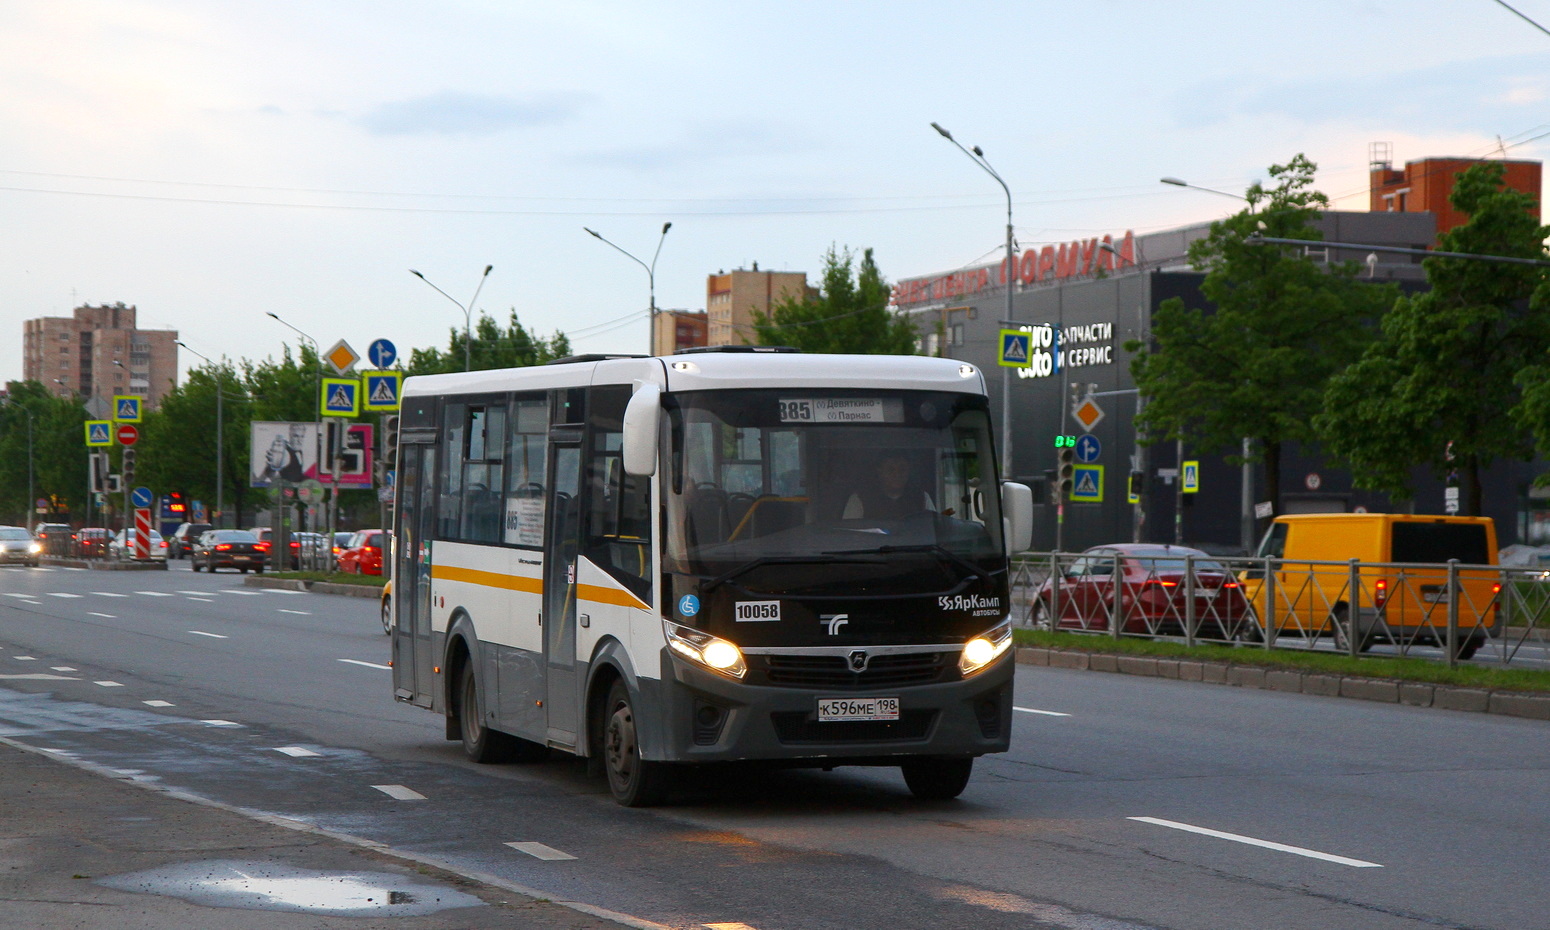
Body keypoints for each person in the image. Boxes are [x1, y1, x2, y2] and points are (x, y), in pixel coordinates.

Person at [843, 453, 935, 519]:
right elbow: (850, 537)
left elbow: (931, 530)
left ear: (909, 471)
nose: (897, 475)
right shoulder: (859, 499)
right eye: (891, 470)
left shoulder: (922, 498)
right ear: (880, 471)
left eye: (902, 469)